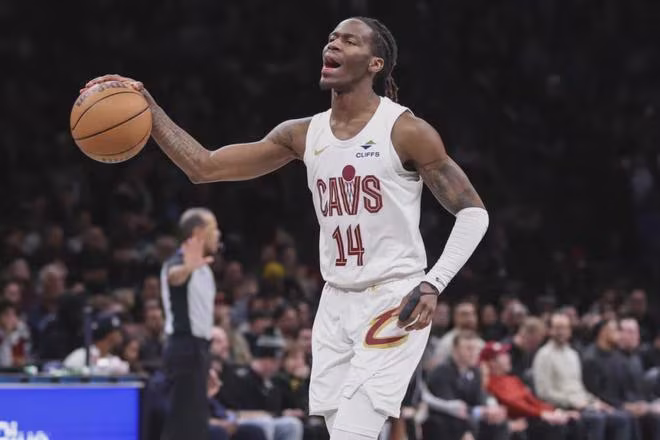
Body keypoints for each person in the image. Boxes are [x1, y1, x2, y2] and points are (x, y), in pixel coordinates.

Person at [84, 16, 489, 440]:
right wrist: (149, 108)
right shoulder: (302, 134)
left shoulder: (405, 131)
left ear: (375, 63)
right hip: (335, 300)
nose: (333, 45)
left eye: (349, 41)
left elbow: (473, 213)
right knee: (341, 431)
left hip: (394, 296)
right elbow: (204, 167)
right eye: (331, 38)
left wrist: (432, 283)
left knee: (353, 434)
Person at [160, 207, 222, 440]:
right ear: (198, 232)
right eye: (214, 229)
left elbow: (203, 321)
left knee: (197, 427)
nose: (218, 234)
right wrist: (188, 267)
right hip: (183, 348)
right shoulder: (177, 262)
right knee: (181, 426)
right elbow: (174, 277)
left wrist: (208, 363)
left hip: (198, 351)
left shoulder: (204, 268)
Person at [533, 312, 630, 440]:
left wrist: (595, 402)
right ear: (550, 331)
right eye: (557, 328)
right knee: (596, 419)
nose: (561, 332)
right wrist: (574, 402)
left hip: (582, 404)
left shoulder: (573, 354)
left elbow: (579, 388)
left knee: (621, 418)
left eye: (565, 328)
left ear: (570, 331)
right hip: (560, 407)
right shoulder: (544, 355)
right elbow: (544, 393)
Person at [481, 341, 579, 440]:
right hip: (520, 420)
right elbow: (514, 404)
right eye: (503, 356)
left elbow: (532, 400)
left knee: (572, 421)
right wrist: (541, 414)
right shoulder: (490, 383)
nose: (508, 358)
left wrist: (555, 411)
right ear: (492, 362)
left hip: (532, 417)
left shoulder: (513, 379)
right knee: (554, 426)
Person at [423, 332, 509, 440]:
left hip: (468, 418)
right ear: (455, 350)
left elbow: (480, 396)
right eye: (469, 349)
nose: (474, 353)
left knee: (499, 422)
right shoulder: (441, 372)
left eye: (476, 349)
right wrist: (480, 412)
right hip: (446, 420)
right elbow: (452, 407)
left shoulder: (475, 371)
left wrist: (491, 407)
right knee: (453, 421)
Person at [62, 313, 129, 375]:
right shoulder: (80, 356)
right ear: (110, 335)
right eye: (118, 331)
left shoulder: (112, 359)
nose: (121, 334)